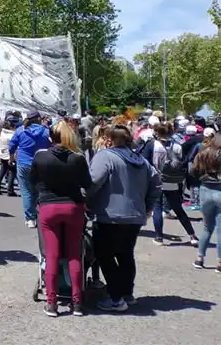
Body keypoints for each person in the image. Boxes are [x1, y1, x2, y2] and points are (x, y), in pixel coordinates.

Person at [87, 124, 162, 312]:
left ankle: (115, 298)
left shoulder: (105, 156)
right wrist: (148, 206)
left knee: (104, 255)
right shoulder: (141, 161)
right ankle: (127, 293)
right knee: (125, 254)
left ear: (109, 140)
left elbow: (93, 181)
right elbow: (156, 183)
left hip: (109, 215)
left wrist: (85, 200)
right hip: (135, 215)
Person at [30, 121, 93, 317]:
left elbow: (32, 181)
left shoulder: (41, 156)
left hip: (48, 207)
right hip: (73, 206)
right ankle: (77, 303)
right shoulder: (77, 158)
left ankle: (51, 303)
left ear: (51, 137)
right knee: (74, 255)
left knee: (52, 256)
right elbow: (87, 184)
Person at [150, 122, 198, 246]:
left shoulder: (155, 145)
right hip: (172, 180)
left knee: (157, 208)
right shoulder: (177, 145)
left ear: (157, 132)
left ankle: (159, 237)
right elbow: (181, 162)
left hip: (157, 179)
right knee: (178, 208)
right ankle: (192, 235)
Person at [9, 111, 51, 228]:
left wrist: (11, 158)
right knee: (39, 191)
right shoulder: (46, 131)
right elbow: (51, 146)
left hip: (23, 163)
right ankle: (41, 215)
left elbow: (12, 145)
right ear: (39, 119)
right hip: (41, 163)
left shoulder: (21, 130)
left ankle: (30, 218)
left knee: (26, 191)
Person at [190, 134, 221, 272]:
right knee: (220, 230)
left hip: (205, 190)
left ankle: (200, 258)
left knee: (207, 227)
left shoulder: (203, 153)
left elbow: (192, 171)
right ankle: (220, 263)